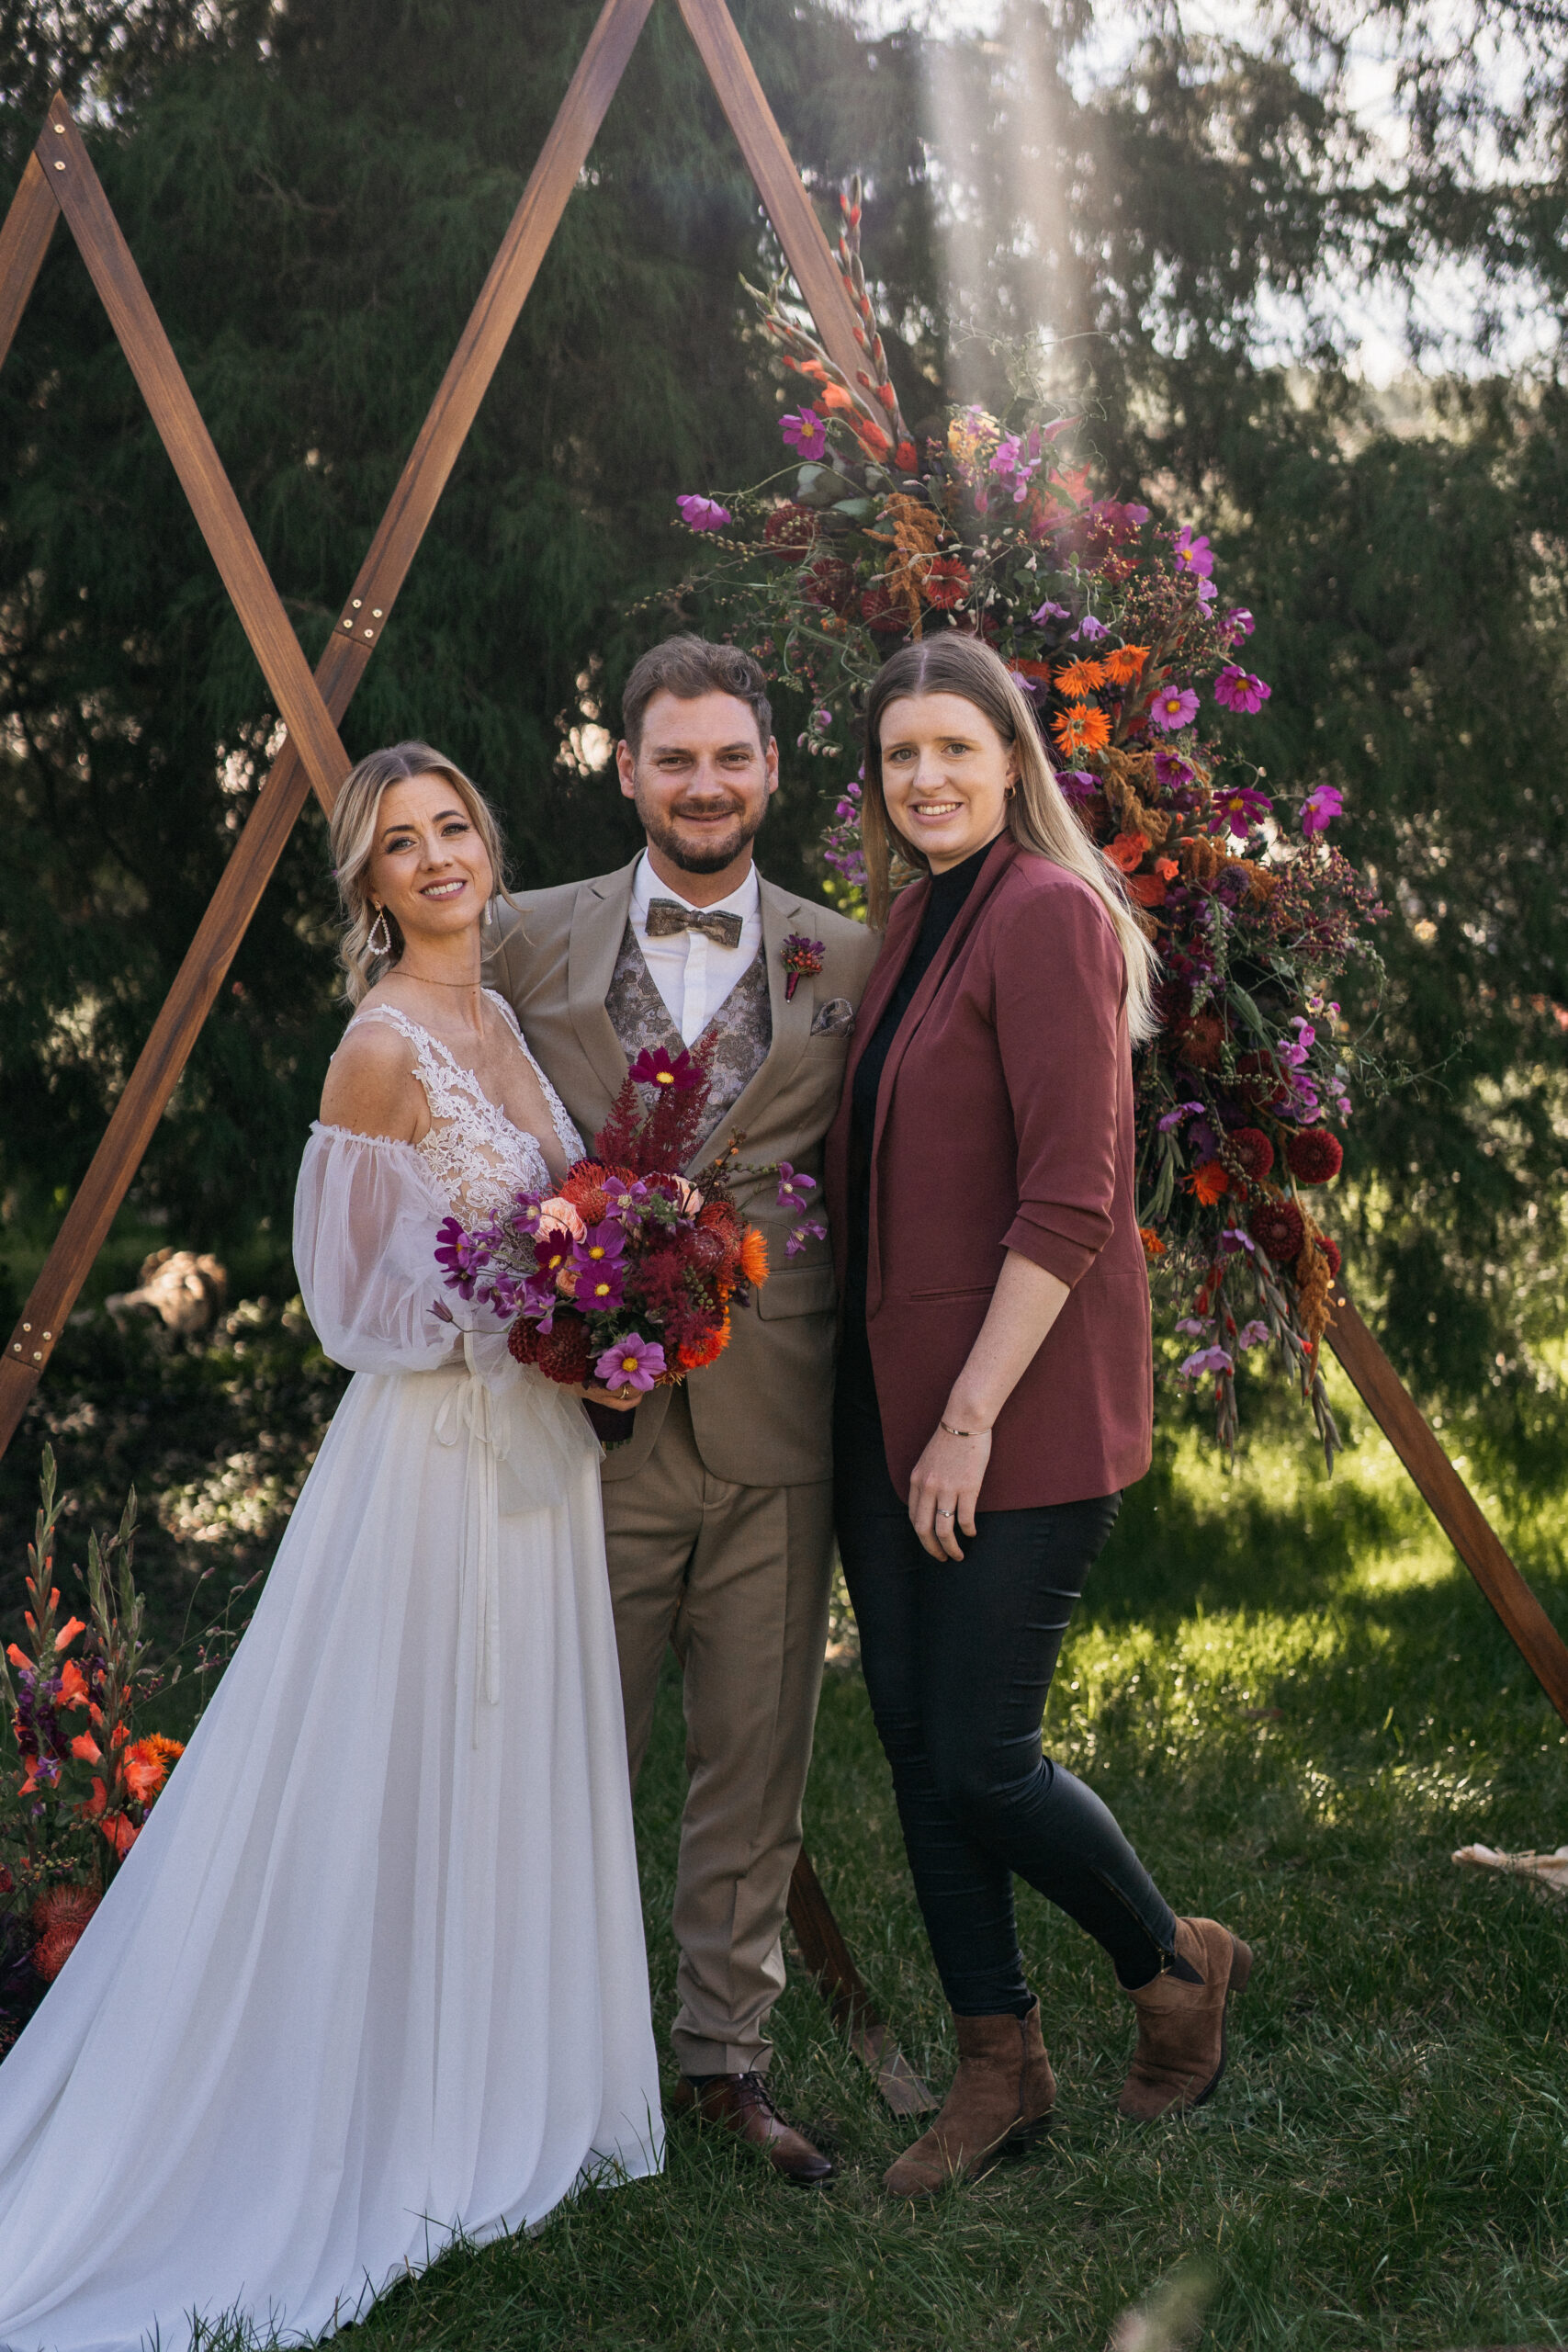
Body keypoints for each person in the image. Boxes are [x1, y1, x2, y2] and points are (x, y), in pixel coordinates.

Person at [0, 743, 660, 2351]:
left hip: (534, 1456)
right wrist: (527, 1325)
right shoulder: (378, 1051)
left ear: (487, 846)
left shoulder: (497, 1015)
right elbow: (355, 1302)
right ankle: (366, 2111)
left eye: (453, 829)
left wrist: (606, 1313)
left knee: (510, 1752)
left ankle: (502, 2086)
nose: (435, 859)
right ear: (367, 883)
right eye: (400, 844)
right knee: (403, 1752)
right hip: (433, 1464)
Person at [823, 637, 1253, 2199]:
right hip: (884, 1405)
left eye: (955, 746)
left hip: (1014, 1409)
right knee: (915, 1742)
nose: (926, 777)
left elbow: (1075, 1197)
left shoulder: (1050, 913)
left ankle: (1176, 1970)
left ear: (1013, 758)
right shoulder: (912, 922)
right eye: (900, 755)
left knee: (986, 1759)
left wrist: (968, 1418)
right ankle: (998, 2064)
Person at [485, 637, 878, 2185]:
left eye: (730, 757)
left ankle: (726, 2064)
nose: (704, 785)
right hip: (587, 1430)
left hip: (780, 1419)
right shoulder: (521, 936)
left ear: (770, 770)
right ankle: (533, 2065)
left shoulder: (850, 957)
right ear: (627, 771)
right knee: (562, 1756)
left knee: (754, 1760)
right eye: (674, 759)